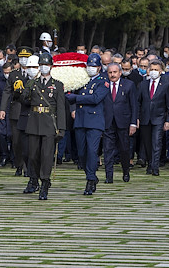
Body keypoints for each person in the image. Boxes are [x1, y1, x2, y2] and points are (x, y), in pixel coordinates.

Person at [21, 53, 65, 200]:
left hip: (49, 123)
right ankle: (34, 178)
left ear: (51, 66)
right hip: (34, 122)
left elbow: (60, 108)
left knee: (46, 155)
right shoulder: (33, 83)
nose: (43, 67)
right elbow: (24, 100)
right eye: (41, 65)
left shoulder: (57, 85)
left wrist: (61, 128)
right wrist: (25, 89)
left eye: (46, 64)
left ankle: (45, 182)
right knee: (33, 155)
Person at [66, 53, 109, 195]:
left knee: (92, 151)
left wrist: (76, 98)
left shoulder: (103, 81)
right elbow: (71, 94)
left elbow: (96, 98)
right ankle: (91, 175)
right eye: (89, 66)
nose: (91, 69)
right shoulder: (82, 80)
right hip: (80, 120)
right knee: (82, 153)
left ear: (99, 68)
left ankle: (90, 180)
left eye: (94, 66)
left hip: (94, 121)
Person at [0, 47, 34, 177]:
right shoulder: (14, 74)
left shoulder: (34, 74)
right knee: (17, 141)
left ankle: (28, 167)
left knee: (30, 141)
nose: (24, 60)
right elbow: (7, 91)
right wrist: (3, 109)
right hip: (16, 111)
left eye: (27, 57)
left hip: (31, 111)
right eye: (22, 57)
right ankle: (19, 164)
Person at [102, 62, 138, 183]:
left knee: (124, 149)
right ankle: (109, 176)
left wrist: (133, 123)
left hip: (124, 122)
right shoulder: (103, 85)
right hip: (108, 122)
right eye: (110, 72)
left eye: (115, 72)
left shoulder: (129, 85)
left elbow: (134, 105)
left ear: (120, 72)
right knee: (107, 149)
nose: (112, 75)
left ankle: (126, 172)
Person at [138, 60, 169, 176]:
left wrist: (168, 120)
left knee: (156, 142)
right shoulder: (143, 84)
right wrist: (137, 118)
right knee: (147, 143)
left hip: (159, 118)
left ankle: (155, 166)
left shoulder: (166, 84)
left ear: (161, 71)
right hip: (145, 118)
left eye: (156, 70)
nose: (153, 72)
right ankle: (149, 164)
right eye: (151, 69)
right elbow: (138, 102)